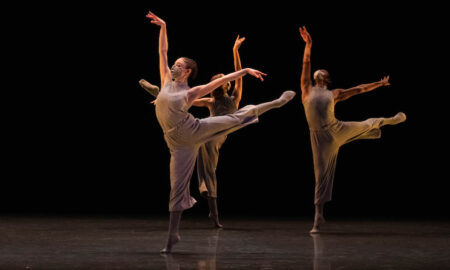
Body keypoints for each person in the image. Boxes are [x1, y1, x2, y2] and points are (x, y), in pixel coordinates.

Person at [146, 11, 296, 252]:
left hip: (191, 129)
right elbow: (162, 51)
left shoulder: (191, 92)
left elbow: (222, 80)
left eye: (179, 65)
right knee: (177, 187)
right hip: (176, 142)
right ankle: (172, 236)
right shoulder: (165, 79)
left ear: (187, 72)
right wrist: (163, 26)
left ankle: (275, 103)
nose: (173, 65)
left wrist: (245, 70)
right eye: (174, 64)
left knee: (234, 118)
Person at [298, 26, 406, 234]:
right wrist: (309, 45)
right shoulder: (305, 89)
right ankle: (317, 218)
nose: (318, 71)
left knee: (366, 123)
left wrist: (379, 84)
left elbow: (360, 88)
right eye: (317, 71)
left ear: (326, 79)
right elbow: (305, 63)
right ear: (313, 77)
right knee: (320, 176)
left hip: (335, 129)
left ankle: (389, 120)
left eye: (323, 72)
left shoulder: (335, 94)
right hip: (320, 139)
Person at [190, 35, 246, 228]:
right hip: (204, 131)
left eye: (224, 80)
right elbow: (187, 101)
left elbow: (238, 74)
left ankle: (209, 201)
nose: (222, 81)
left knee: (210, 168)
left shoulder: (234, 98)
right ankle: (211, 206)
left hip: (217, 135)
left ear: (226, 84)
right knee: (200, 151)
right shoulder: (210, 101)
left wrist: (235, 51)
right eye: (218, 80)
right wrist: (165, 100)